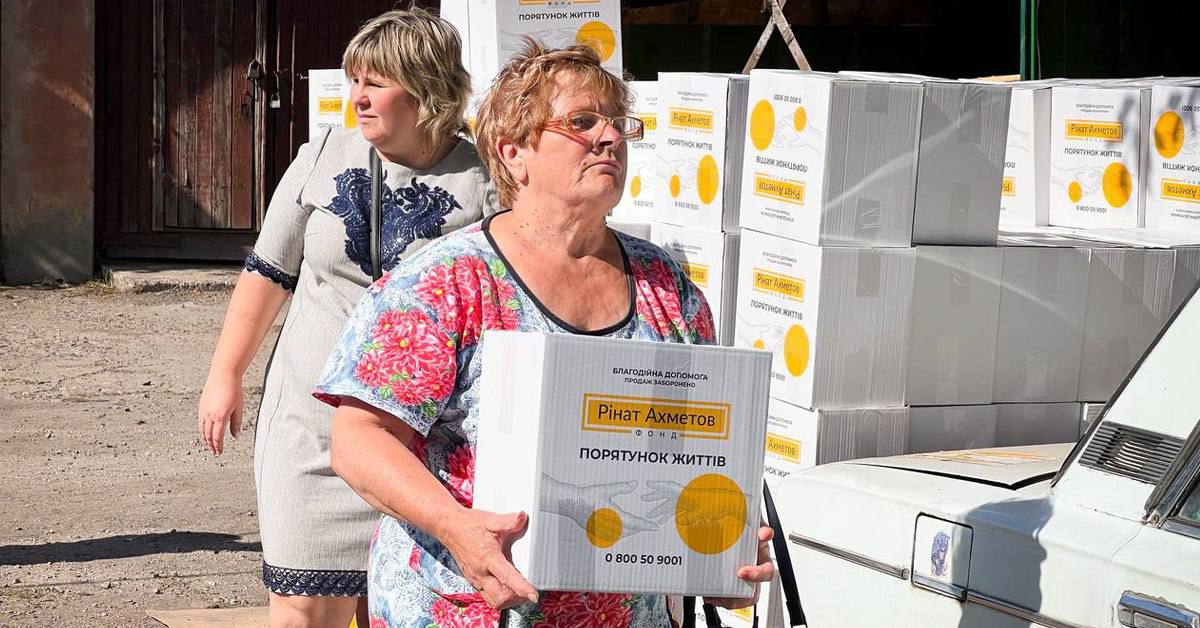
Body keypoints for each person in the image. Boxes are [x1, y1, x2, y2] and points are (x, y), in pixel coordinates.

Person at [312, 41, 774, 627]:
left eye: (618, 123)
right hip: (467, 609)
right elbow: (360, 439)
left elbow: (696, 450)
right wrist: (457, 528)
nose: (610, 138)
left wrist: (720, 558)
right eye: (582, 123)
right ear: (513, 154)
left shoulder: (666, 286)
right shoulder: (447, 281)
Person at [197, 8, 498, 627]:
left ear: (426, 90)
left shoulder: (483, 182)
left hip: (420, 439)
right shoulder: (323, 155)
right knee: (302, 606)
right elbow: (267, 271)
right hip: (306, 421)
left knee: (400, 607)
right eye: (353, 79)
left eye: (375, 83)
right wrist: (225, 375)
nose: (356, 96)